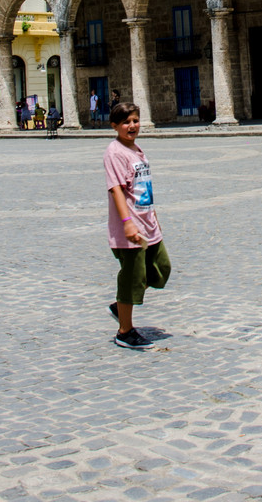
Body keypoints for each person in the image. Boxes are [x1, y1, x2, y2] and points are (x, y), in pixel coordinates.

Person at [103, 101, 166, 352]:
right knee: (131, 278)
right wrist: (127, 223)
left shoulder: (136, 150)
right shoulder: (114, 152)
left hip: (147, 223)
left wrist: (154, 217)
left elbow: (143, 188)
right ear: (115, 126)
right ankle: (125, 331)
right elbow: (116, 189)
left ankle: (121, 306)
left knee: (161, 269)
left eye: (135, 120)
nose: (132, 126)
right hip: (129, 228)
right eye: (126, 122)